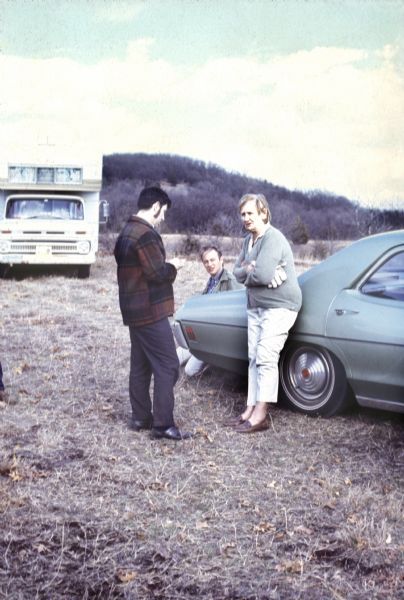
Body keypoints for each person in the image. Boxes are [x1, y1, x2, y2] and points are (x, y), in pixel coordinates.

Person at [114, 186, 191, 441]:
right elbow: (157, 273)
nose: (163, 218)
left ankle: (140, 418)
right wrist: (174, 266)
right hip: (150, 311)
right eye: (163, 212)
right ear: (156, 206)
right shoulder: (145, 234)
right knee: (168, 366)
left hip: (134, 312)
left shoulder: (126, 231)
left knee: (140, 365)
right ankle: (162, 425)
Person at [227, 193, 302, 434]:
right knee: (253, 356)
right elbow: (236, 271)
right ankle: (250, 407)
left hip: (279, 306)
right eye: (243, 214)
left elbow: (261, 275)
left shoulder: (273, 238)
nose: (246, 218)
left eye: (250, 213)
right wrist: (252, 268)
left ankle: (261, 414)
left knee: (265, 356)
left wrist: (251, 270)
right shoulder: (247, 241)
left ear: (263, 213)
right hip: (256, 305)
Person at [177, 245, 242, 376]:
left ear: (221, 260)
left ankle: (213, 363)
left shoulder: (231, 281)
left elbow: (238, 310)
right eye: (206, 262)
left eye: (213, 260)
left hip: (216, 337)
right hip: (203, 333)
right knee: (175, 358)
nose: (209, 264)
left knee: (190, 371)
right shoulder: (212, 280)